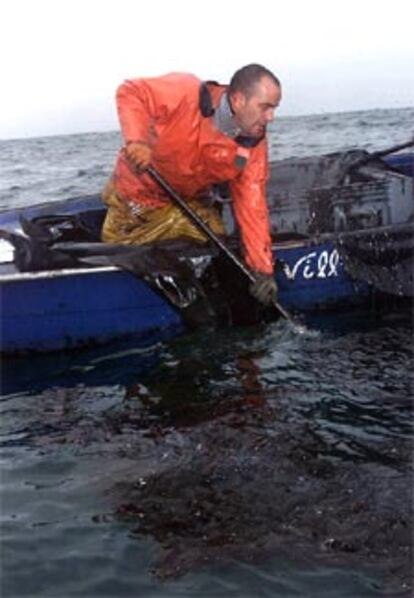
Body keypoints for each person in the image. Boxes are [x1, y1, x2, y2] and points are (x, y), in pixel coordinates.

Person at [101, 64, 281, 305]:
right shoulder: (184, 91)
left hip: (189, 201)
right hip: (136, 201)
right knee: (127, 249)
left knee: (214, 244)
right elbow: (132, 91)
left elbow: (252, 205)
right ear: (238, 100)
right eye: (265, 107)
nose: (271, 117)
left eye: (274, 108)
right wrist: (137, 141)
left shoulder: (253, 147)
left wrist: (263, 270)